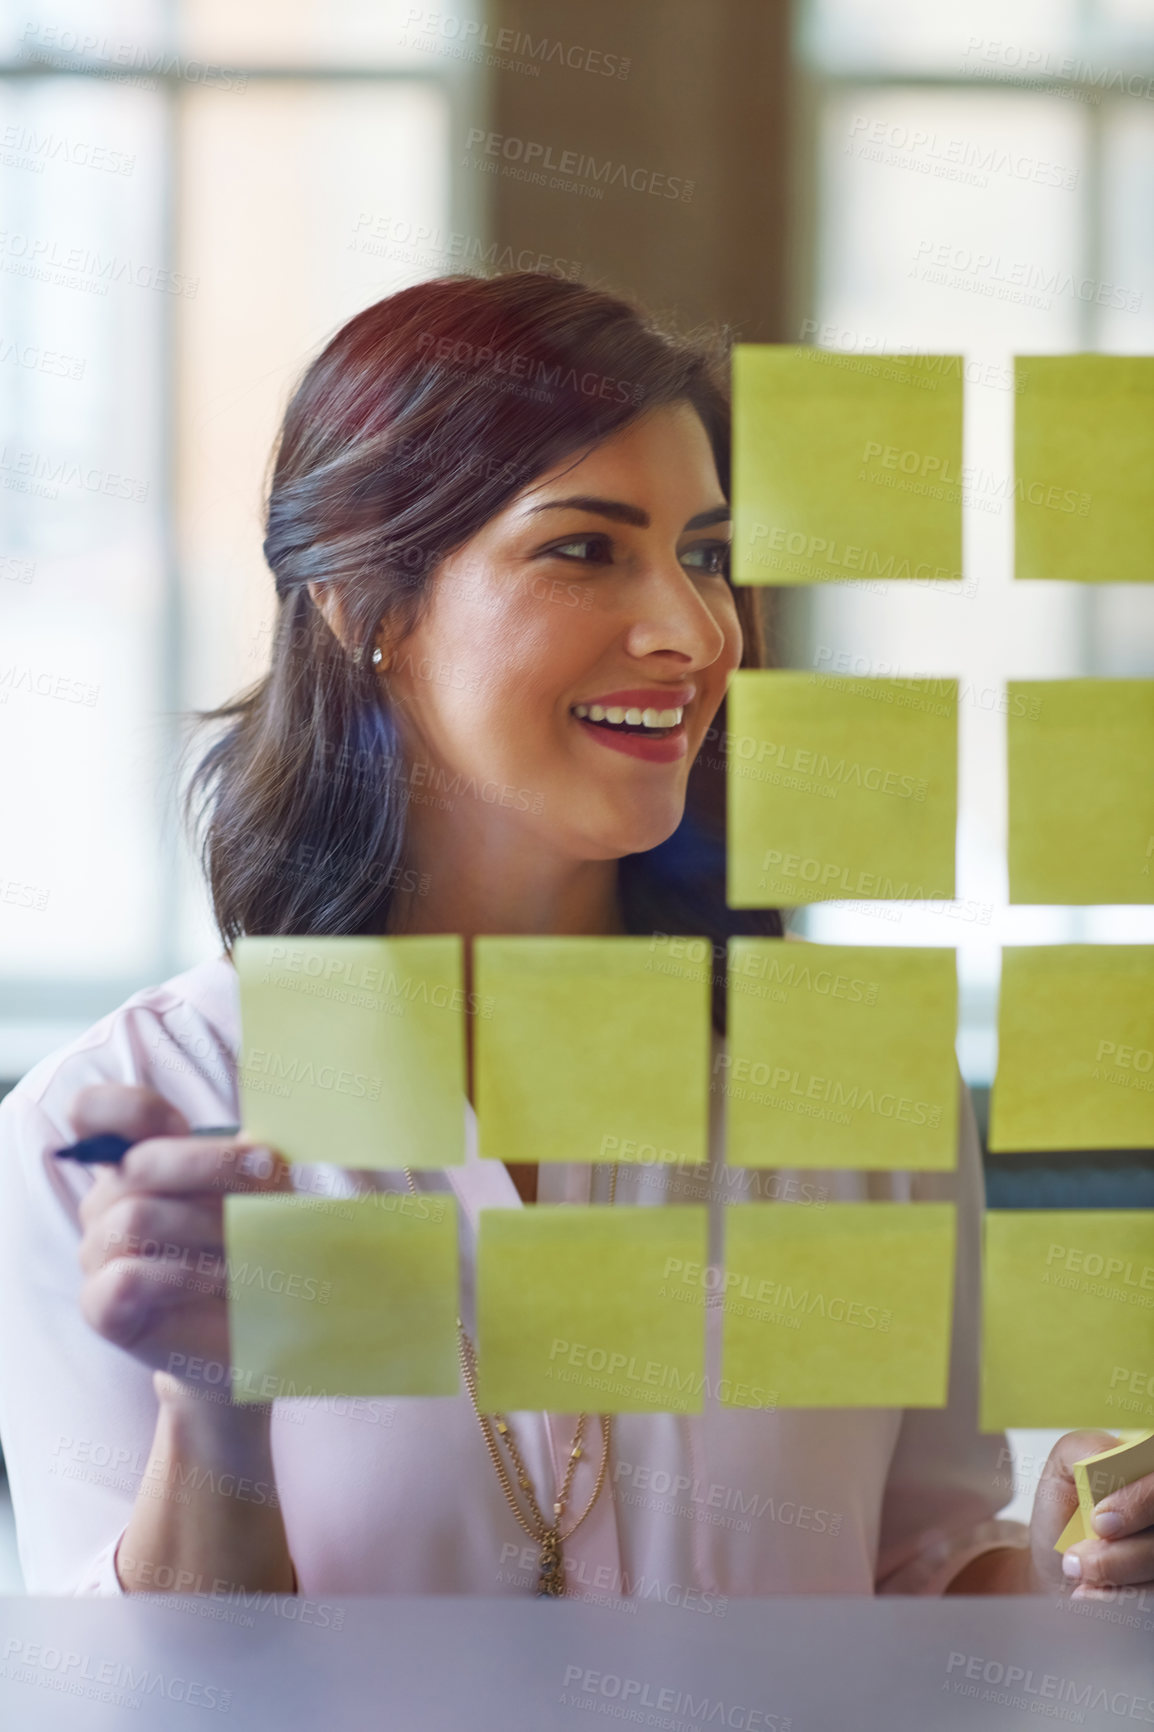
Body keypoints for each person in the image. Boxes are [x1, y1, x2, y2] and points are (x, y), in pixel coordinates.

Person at [0, 272, 1145, 1602]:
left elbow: (917, 1577)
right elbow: (133, 1699)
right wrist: (212, 1412)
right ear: (362, 601)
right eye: (584, 549)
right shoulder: (110, 1134)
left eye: (704, 554)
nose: (692, 630)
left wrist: (1082, 1576)